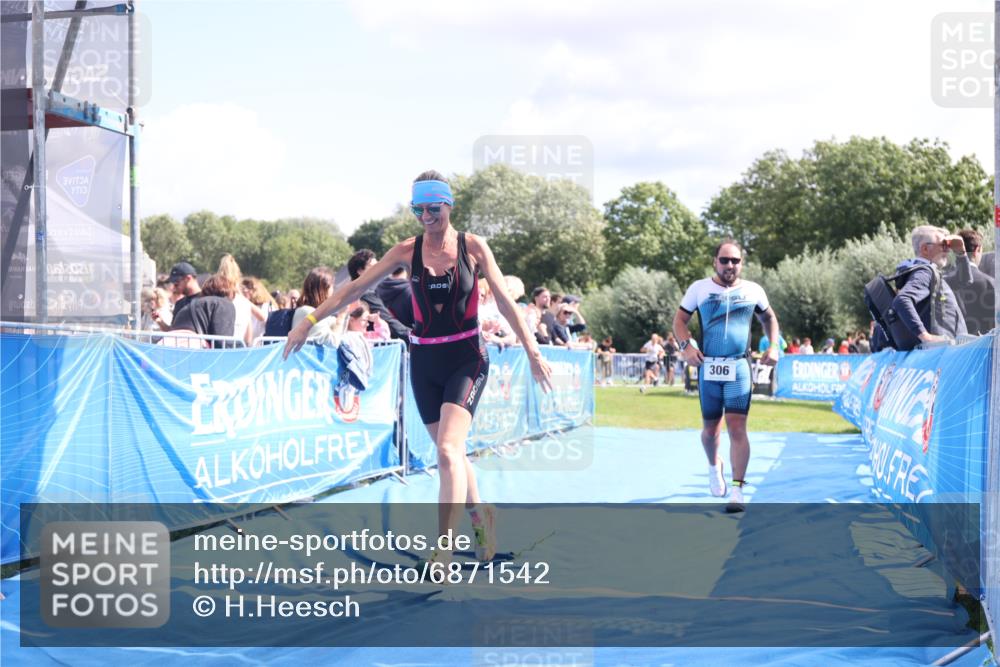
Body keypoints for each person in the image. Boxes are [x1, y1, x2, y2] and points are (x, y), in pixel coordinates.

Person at [284, 170, 552, 569]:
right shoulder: (405, 251)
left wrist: (532, 350)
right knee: (452, 453)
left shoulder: (473, 247)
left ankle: (443, 548)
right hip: (424, 361)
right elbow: (352, 289)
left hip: (467, 357)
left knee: (446, 450)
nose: (426, 216)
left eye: (433, 208)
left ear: (449, 205)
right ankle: (482, 517)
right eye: (418, 209)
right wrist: (307, 323)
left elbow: (505, 299)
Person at [673, 240, 781, 513]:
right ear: (715, 262)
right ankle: (714, 466)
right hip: (708, 367)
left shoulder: (753, 290)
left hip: (738, 368)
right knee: (710, 431)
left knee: (737, 428)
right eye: (724, 260)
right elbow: (679, 321)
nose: (729, 265)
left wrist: (773, 346)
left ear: (742, 263)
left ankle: (737, 489)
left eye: (735, 260)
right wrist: (686, 347)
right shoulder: (699, 288)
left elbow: (769, 318)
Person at [874, 225, 969, 348]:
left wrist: (961, 252)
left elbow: (964, 280)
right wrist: (926, 337)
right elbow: (902, 299)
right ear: (925, 249)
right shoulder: (925, 271)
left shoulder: (927, 272)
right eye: (943, 245)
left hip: (941, 354)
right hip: (943, 354)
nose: (947, 250)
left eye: (948, 245)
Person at [349, 249, 411, 341]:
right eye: (374, 266)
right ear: (360, 271)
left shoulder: (354, 292)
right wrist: (412, 336)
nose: (379, 269)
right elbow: (388, 321)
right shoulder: (365, 294)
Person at [946, 229, 995, 336]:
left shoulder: (944, 282)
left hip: (953, 347)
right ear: (978, 249)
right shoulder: (991, 283)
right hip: (985, 348)